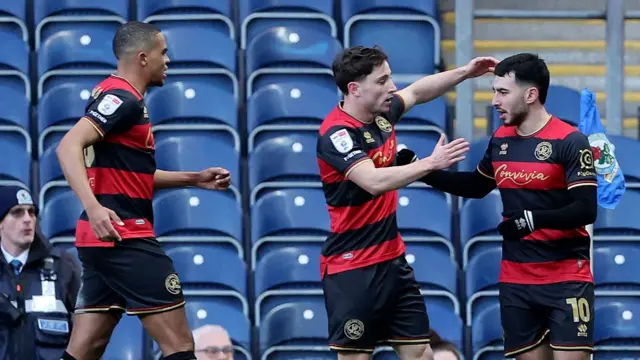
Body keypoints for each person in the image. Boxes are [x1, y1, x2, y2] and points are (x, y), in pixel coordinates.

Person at [398, 53, 597, 360]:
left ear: (531, 95)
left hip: (566, 278)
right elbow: (476, 186)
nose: (494, 101)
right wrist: (423, 169)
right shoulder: (501, 139)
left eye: (502, 92)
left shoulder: (570, 141)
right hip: (516, 280)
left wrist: (534, 220)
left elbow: (586, 209)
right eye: (493, 91)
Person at [55, 21, 232, 360]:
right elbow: (68, 147)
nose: (168, 60)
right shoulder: (122, 99)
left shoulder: (110, 92)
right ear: (142, 58)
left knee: (85, 348)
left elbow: (131, 177)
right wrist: (93, 207)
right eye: (163, 53)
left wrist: (194, 179)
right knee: (180, 346)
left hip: (100, 241)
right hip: (125, 236)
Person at [315, 45, 497, 360]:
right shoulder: (337, 134)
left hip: (393, 263)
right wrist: (430, 163)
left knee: (421, 353)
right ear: (355, 89)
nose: (392, 87)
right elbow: (372, 181)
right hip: (352, 269)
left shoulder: (382, 113)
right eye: (383, 80)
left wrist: (465, 72)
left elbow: (417, 92)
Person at [0, 185, 81, 360]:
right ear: (1, 223)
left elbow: (88, 330)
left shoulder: (63, 266)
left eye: (31, 212)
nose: (28, 219)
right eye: (17, 212)